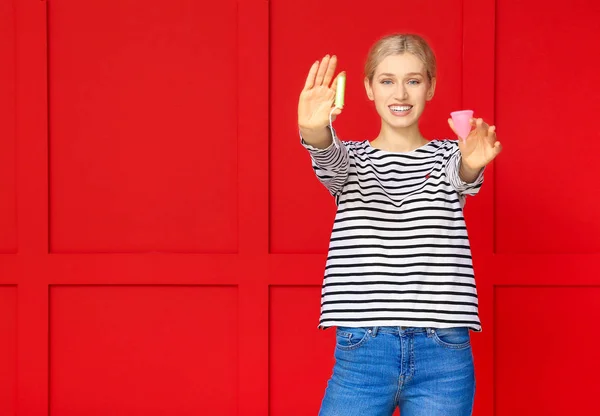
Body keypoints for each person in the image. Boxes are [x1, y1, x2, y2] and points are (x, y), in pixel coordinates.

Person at [297, 33, 502, 416]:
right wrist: (312, 129)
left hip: (444, 353)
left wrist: (474, 162)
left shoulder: (449, 156)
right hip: (363, 349)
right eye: (387, 80)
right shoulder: (351, 161)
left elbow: (464, 174)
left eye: (413, 80)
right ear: (368, 89)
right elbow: (326, 155)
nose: (401, 94)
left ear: (431, 86)